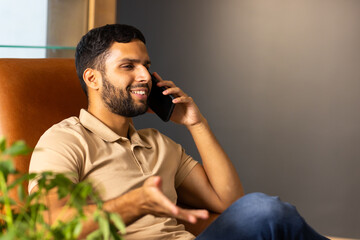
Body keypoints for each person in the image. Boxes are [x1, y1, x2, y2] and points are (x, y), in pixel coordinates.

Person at [28, 24, 329, 240]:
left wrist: (196, 124)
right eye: (128, 66)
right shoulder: (64, 141)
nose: (145, 76)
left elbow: (228, 202)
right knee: (265, 210)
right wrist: (135, 203)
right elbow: (49, 225)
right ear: (93, 78)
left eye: (146, 65)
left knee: (266, 210)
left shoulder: (158, 144)